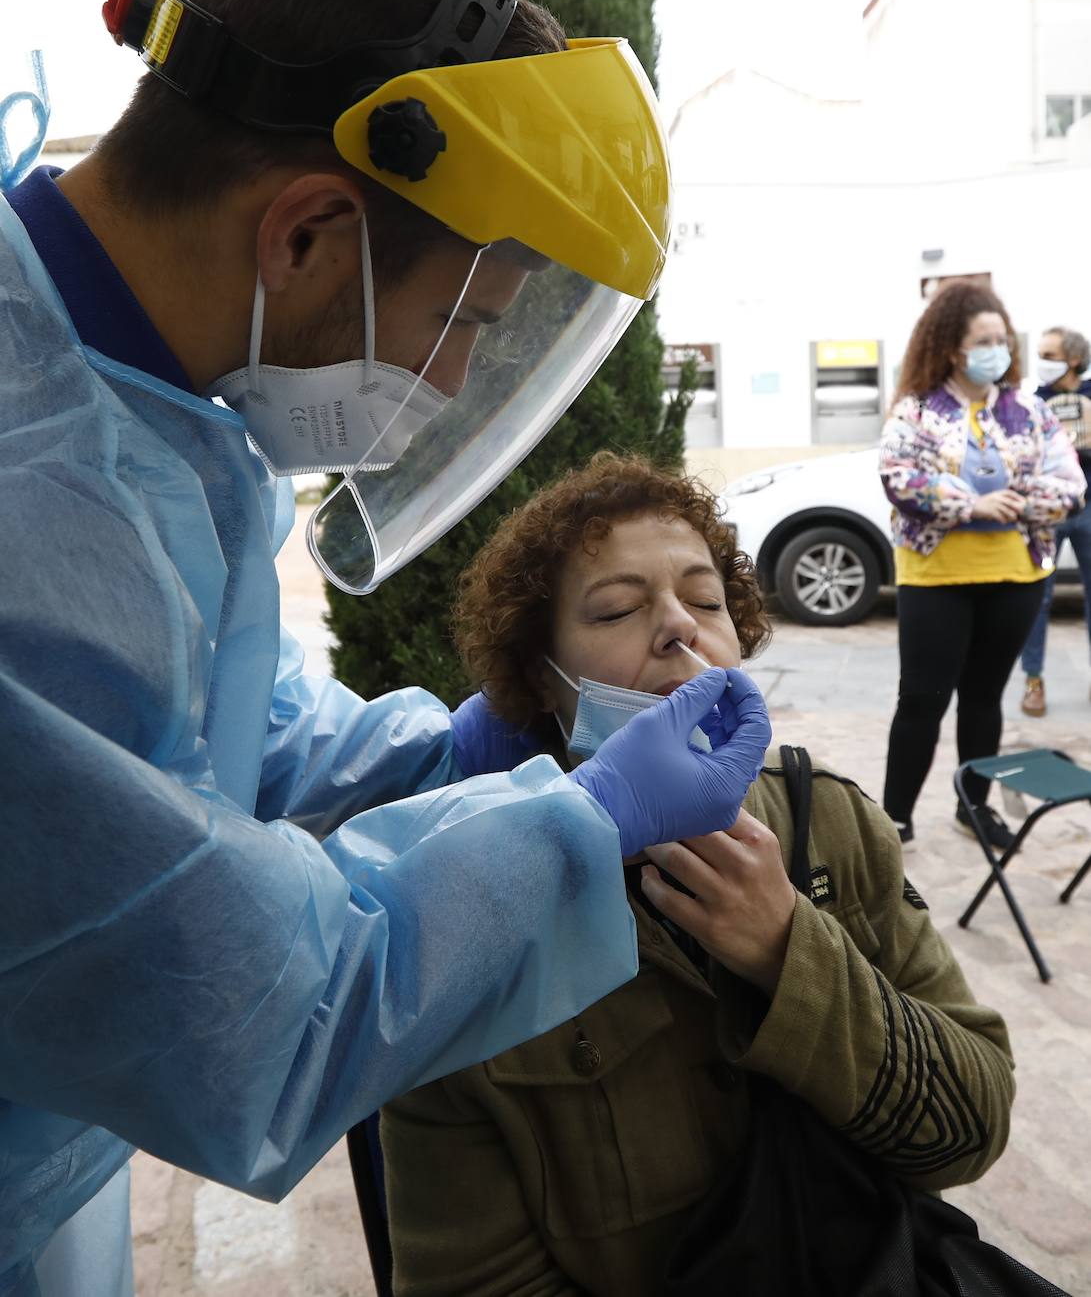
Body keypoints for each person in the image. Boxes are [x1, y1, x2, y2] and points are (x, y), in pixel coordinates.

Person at [0, 0, 775, 1294]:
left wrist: (477, 742)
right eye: (466, 324)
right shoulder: (31, 520)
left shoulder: (141, 404)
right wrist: (585, 824)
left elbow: (229, 742)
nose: (451, 378)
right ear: (309, 233)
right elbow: (258, 1010)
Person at [379, 453, 1016, 1297]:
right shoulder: (468, 914)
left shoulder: (829, 821)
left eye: (707, 599)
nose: (680, 626)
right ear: (541, 674)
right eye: (615, 608)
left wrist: (790, 951)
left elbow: (969, 1129)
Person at [879, 282, 1085, 849]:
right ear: (951, 348)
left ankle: (974, 806)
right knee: (922, 698)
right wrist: (971, 504)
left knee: (984, 697)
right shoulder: (916, 410)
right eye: (982, 340)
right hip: (935, 577)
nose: (996, 349)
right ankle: (894, 818)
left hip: (1016, 575)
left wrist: (1013, 499)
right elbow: (900, 479)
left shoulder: (1030, 410)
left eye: (1001, 339)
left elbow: (1071, 486)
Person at [1019, 326, 1091, 716]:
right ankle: (1034, 682)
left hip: (1090, 509)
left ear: (1074, 359)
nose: (1042, 361)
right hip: (1048, 513)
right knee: (1036, 600)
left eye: (1049, 354)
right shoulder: (1033, 402)